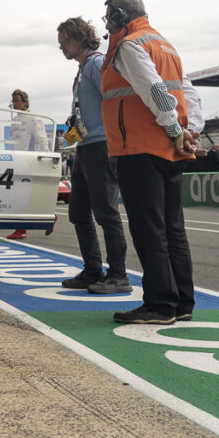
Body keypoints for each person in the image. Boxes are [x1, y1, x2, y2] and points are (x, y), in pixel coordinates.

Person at [100, 0, 204, 325]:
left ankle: (159, 304)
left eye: (107, 17)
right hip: (169, 148)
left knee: (149, 230)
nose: (105, 24)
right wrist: (190, 130)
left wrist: (176, 129)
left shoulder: (129, 45)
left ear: (119, 16)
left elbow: (155, 91)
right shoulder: (166, 45)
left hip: (140, 147)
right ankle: (182, 302)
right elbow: (188, 92)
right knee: (173, 229)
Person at [56, 17, 130, 294]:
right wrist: (72, 138)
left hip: (102, 147)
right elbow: (86, 113)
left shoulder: (97, 64)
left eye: (64, 41)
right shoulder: (84, 68)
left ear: (78, 38)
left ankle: (119, 275)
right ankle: (93, 269)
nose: (61, 46)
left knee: (106, 212)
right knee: (78, 213)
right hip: (86, 147)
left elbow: (112, 102)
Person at [7, 89, 51, 240]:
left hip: (30, 160)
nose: (15, 104)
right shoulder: (14, 119)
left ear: (26, 102)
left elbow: (42, 139)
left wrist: (47, 158)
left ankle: (21, 228)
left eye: (18, 101)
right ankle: (50, 218)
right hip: (16, 160)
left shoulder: (34, 119)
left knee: (22, 195)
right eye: (13, 101)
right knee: (22, 195)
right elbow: (13, 141)